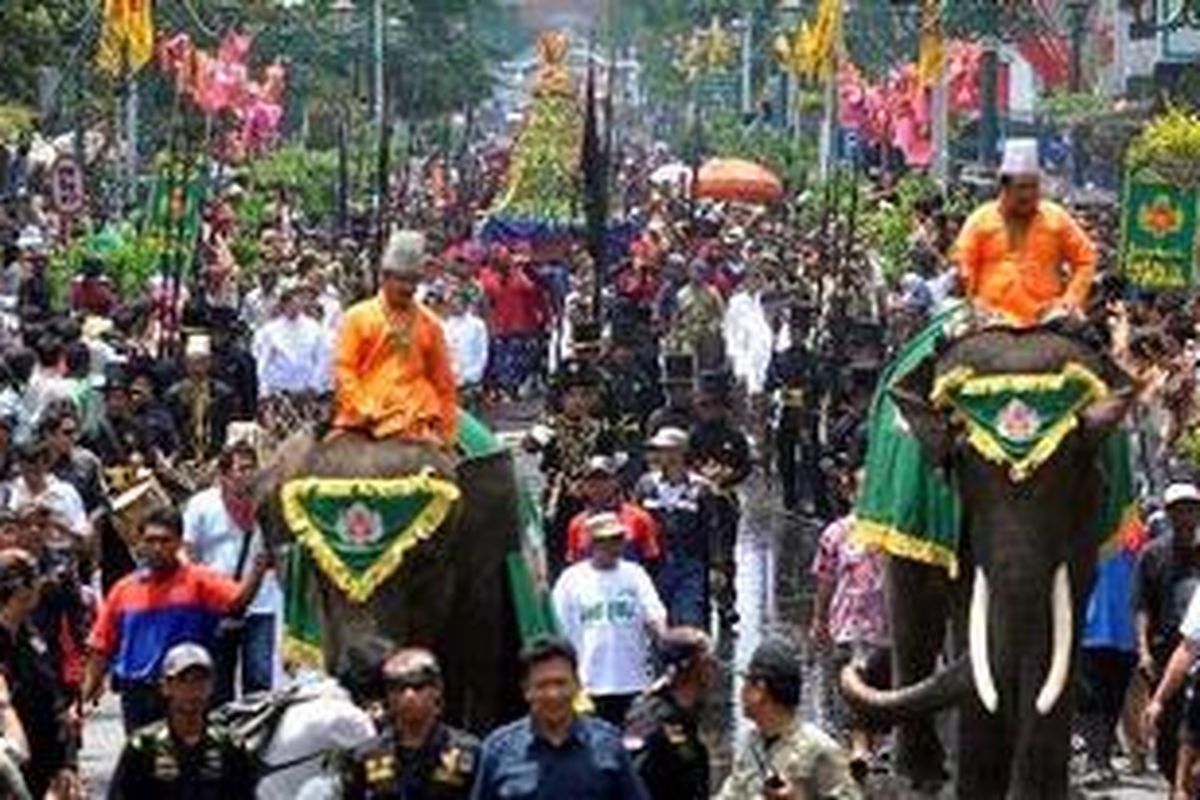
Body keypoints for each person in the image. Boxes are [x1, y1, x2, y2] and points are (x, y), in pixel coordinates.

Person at [83, 506, 273, 732]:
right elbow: (102, 645)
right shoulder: (124, 590)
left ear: (179, 543)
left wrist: (258, 570)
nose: (157, 548)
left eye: (165, 541)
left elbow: (238, 601)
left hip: (185, 693)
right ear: (140, 543)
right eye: (150, 540)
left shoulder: (199, 581)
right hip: (138, 694)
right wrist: (86, 694)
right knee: (143, 761)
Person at [471, 636, 649, 800]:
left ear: (577, 685)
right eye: (542, 685)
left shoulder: (609, 744)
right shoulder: (498, 751)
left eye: (560, 683)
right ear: (526, 690)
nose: (553, 694)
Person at [952, 138, 1097, 326]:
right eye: (1021, 187)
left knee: (1091, 345)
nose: (1028, 194)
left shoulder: (1056, 217)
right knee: (948, 343)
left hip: (1047, 315)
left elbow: (1086, 259)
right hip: (990, 316)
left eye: (1033, 187)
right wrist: (967, 288)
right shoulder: (979, 220)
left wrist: (1070, 300)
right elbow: (964, 261)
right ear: (1004, 187)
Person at [332, 230, 458, 443]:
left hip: (419, 415)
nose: (408, 288)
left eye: (413, 281)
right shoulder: (357, 317)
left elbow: (443, 381)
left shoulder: (431, 324)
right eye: (401, 280)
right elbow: (344, 369)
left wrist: (446, 432)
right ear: (384, 277)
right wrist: (364, 408)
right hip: (366, 411)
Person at [184, 440, 281, 705]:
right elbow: (189, 552)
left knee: (259, 680)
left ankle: (255, 740)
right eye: (241, 469)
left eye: (252, 468)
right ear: (224, 473)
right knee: (217, 682)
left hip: (260, 604)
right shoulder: (202, 505)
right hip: (215, 606)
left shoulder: (268, 506)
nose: (248, 475)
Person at [551, 512, 667, 725]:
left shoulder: (635, 575)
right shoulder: (571, 580)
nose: (614, 547)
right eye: (606, 541)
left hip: (633, 682)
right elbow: (557, 630)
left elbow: (655, 614)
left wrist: (667, 641)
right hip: (588, 684)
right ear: (592, 543)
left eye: (618, 540)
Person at [108, 643, 257, 800]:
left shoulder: (229, 745)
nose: (192, 690)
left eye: (200, 681)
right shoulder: (144, 745)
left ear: (211, 687)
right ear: (166, 686)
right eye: (183, 681)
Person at [716, 639, 859, 800]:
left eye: (746, 683)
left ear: (760, 690)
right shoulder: (752, 742)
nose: (741, 692)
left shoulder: (820, 749)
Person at [808, 504, 890, 779]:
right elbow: (825, 580)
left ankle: (876, 745)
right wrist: (819, 619)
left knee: (881, 687)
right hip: (848, 624)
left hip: (886, 628)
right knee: (853, 687)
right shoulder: (837, 533)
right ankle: (859, 748)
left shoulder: (895, 533)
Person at [342, 648, 479, 799]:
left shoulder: (467, 751)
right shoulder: (367, 754)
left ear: (437, 689)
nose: (408, 695)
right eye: (398, 687)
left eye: (418, 686)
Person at [1133, 481, 1200, 782]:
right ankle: (1175, 779)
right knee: (1168, 723)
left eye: (1190, 509)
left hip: (1197, 649)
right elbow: (1141, 606)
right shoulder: (1152, 555)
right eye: (1178, 510)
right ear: (1169, 514)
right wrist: (1143, 650)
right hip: (1167, 650)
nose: (1185, 516)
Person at [0, 549, 79, 799]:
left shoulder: (31, 634)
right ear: (20, 589)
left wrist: (66, 764)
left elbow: (53, 701)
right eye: (35, 580)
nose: (41, 586)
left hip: (43, 766)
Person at [635, 427, 718, 627]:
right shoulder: (645, 485)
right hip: (655, 563)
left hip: (689, 562)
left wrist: (717, 566)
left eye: (670, 450)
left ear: (682, 452)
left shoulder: (701, 488)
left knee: (688, 619)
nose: (665, 455)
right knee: (656, 619)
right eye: (660, 450)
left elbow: (712, 530)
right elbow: (636, 524)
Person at [623, 627, 715, 800]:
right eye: (708, 660)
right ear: (691, 668)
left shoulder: (686, 713)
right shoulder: (650, 720)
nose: (714, 667)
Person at [565, 455, 662, 568]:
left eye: (604, 479)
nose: (598, 486)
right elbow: (573, 564)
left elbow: (652, 561)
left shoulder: (639, 518)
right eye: (591, 480)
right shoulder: (576, 523)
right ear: (584, 486)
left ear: (616, 482)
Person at [165, 333, 237, 462]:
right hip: (184, 459)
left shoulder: (224, 393)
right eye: (193, 362)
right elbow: (171, 429)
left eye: (202, 362)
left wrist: (220, 458)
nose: (197, 368)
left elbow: (229, 428)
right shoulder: (174, 394)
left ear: (209, 363)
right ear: (186, 363)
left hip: (217, 459)